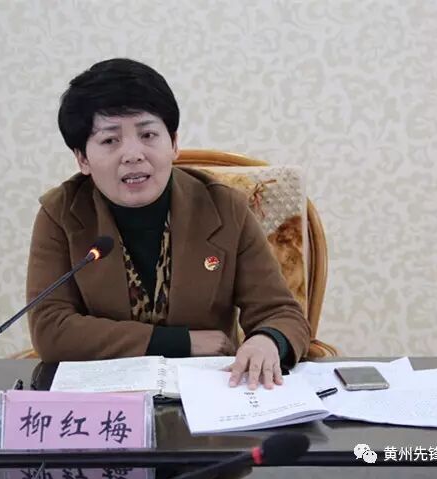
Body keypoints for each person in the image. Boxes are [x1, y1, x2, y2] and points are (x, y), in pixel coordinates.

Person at [26, 58, 310, 390]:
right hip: (105, 399)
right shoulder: (61, 213)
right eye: (110, 140)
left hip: (208, 395)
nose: (133, 154)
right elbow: (51, 328)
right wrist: (181, 342)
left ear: (173, 143)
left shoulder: (225, 208)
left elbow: (282, 314)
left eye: (148, 134)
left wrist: (268, 340)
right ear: (83, 159)